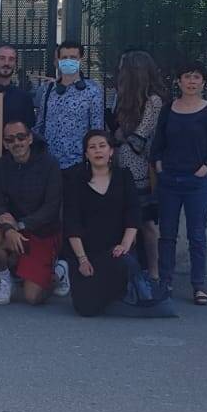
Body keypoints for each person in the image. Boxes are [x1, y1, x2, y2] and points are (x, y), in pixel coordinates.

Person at [151, 61, 207, 306]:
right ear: (178, 81)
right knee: (167, 235)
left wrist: (204, 170)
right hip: (169, 180)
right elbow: (157, 144)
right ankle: (165, 281)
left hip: (197, 182)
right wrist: (159, 167)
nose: (191, 81)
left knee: (197, 235)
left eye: (196, 77)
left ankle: (198, 284)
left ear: (203, 82)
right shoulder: (168, 109)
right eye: (187, 76)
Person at [0, 118, 64, 307]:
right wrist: (9, 229)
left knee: (32, 298)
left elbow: (52, 207)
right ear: (4, 143)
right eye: (10, 139)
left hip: (41, 230)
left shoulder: (50, 164)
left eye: (21, 137)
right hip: (11, 228)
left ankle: (59, 272)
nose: (16, 143)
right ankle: (5, 281)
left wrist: (21, 226)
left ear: (30, 139)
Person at [64, 129, 142, 317]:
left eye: (102, 146)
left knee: (122, 265)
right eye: (92, 147)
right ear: (86, 154)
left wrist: (124, 245)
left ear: (111, 151)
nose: (98, 151)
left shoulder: (124, 177)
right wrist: (82, 259)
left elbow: (134, 213)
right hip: (86, 253)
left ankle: (118, 294)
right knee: (85, 308)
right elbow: (71, 221)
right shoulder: (76, 181)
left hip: (115, 251)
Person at [110, 50, 165, 280]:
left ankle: (153, 273)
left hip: (141, 171)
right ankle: (129, 272)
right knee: (125, 223)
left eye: (124, 68)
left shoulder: (153, 101)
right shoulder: (121, 99)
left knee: (147, 224)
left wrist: (120, 136)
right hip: (120, 169)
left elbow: (137, 140)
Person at [33, 41, 105, 169]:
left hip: (78, 164)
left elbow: (96, 130)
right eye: (64, 57)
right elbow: (40, 125)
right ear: (58, 60)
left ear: (80, 60)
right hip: (49, 164)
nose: (68, 61)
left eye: (73, 57)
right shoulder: (49, 90)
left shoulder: (92, 91)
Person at [0, 42, 36, 129]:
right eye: (2, 58)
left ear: (15, 64)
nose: (7, 63)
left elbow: (29, 131)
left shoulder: (24, 98)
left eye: (11, 59)